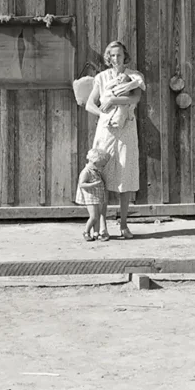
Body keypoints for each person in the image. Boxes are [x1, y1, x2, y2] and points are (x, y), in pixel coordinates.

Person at [85, 40, 145, 239]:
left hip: (126, 129)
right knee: (101, 177)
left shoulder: (134, 76)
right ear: (108, 58)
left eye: (119, 55)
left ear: (125, 56)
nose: (116, 58)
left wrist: (113, 100)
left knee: (124, 176)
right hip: (106, 131)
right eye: (112, 55)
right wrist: (103, 114)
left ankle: (124, 225)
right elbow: (89, 104)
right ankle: (102, 226)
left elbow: (135, 98)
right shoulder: (101, 78)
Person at [74, 147, 110, 241]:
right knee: (93, 217)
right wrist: (94, 184)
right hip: (90, 197)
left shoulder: (96, 171)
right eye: (102, 166)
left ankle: (96, 233)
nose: (103, 168)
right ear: (95, 163)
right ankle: (86, 231)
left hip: (97, 197)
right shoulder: (86, 172)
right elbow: (82, 184)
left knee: (97, 216)